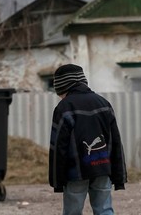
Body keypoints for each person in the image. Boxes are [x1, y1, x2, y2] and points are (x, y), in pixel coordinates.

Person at [48, 64, 127, 215]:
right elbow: (116, 142)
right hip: (103, 167)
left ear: (63, 87)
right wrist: (119, 175)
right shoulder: (103, 104)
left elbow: (58, 147)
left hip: (75, 172)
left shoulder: (64, 107)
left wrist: (57, 180)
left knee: (73, 211)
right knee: (104, 209)